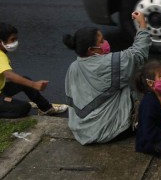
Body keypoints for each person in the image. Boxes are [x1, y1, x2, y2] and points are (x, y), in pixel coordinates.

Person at [63, 12, 151, 145]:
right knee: (146, 98)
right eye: (101, 41)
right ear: (91, 50)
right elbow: (138, 54)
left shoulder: (73, 66)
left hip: (81, 129)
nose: (105, 43)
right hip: (107, 130)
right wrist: (142, 25)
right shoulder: (108, 64)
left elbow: (70, 100)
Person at [0, 22, 68, 119]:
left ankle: (46, 109)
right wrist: (34, 85)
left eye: (16, 39)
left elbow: (6, 77)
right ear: (0, 42)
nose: (15, 42)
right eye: (12, 40)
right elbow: (8, 75)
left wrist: (25, 83)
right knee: (24, 108)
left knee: (24, 80)